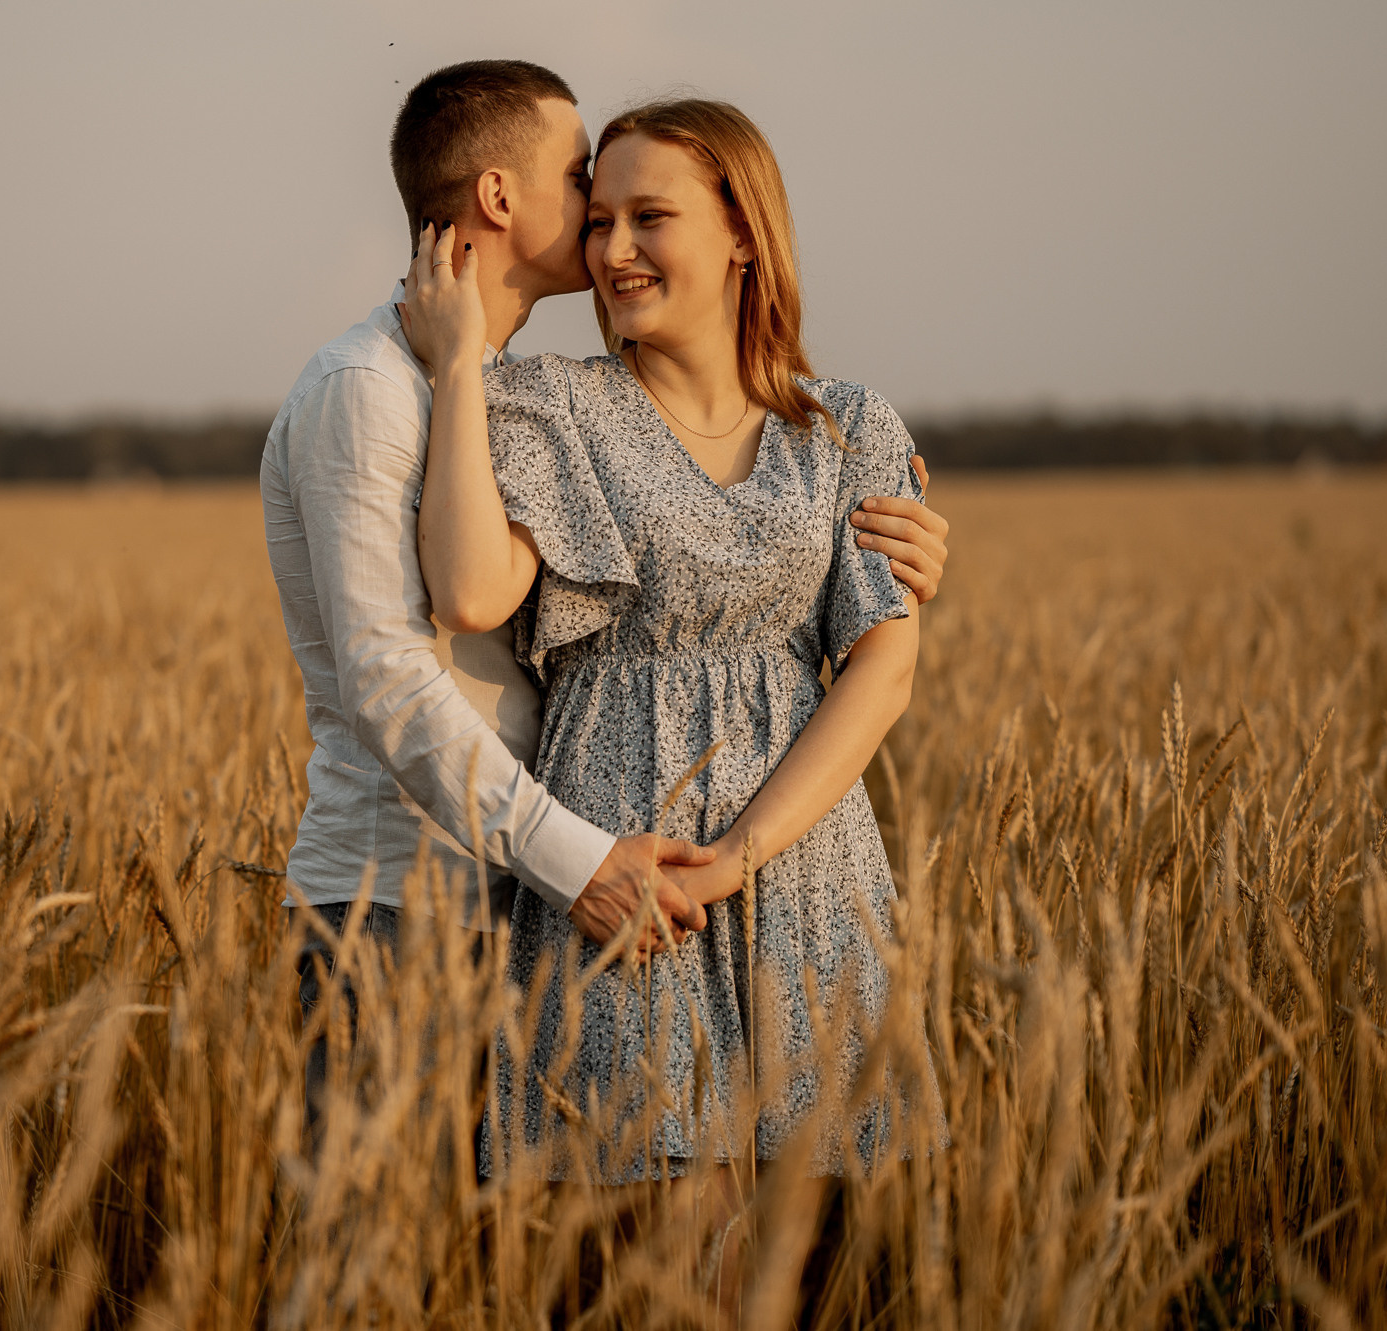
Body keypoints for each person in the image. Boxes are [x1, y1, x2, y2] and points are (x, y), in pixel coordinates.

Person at [260, 65, 953, 1137]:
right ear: (500, 199)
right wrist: (578, 863)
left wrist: (892, 556)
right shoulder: (395, 389)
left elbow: (881, 652)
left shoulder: (831, 422)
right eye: (588, 190)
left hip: (561, 887)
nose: (605, 232)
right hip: (424, 899)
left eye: (644, 213)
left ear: (739, 234)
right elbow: (405, 659)